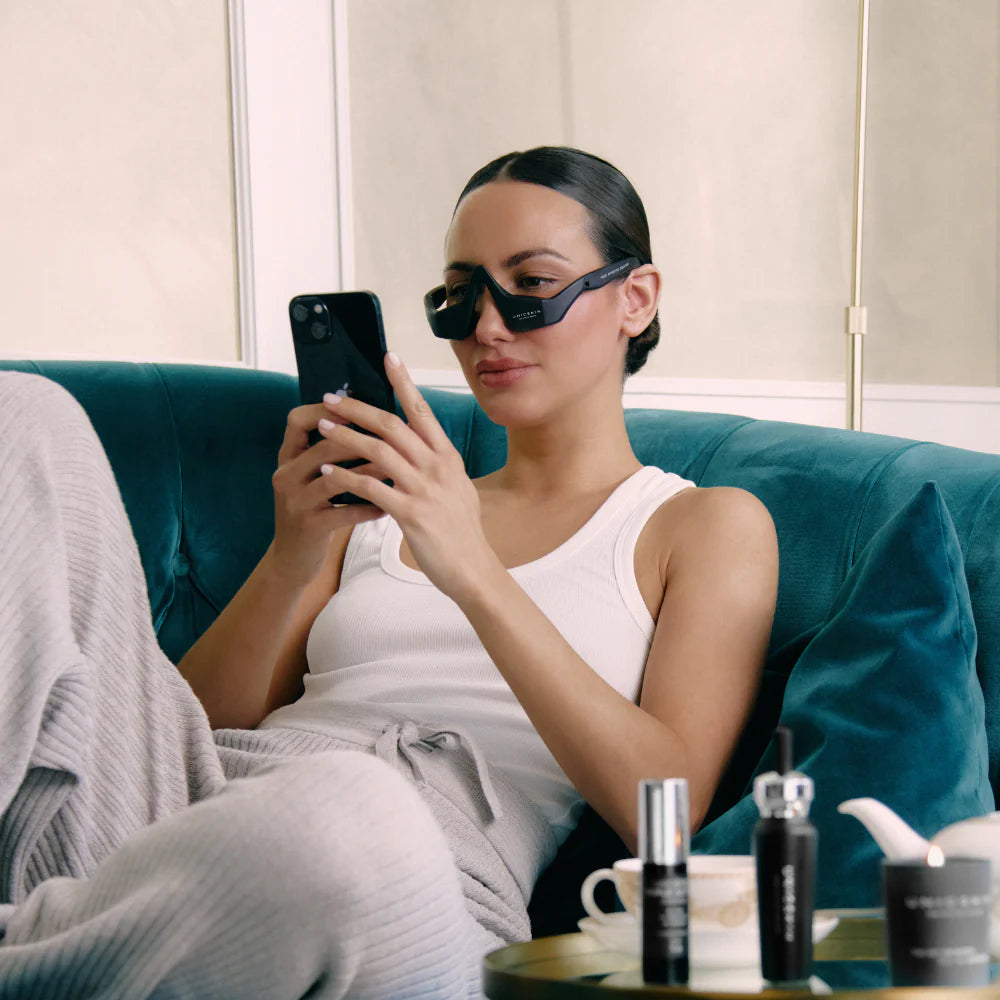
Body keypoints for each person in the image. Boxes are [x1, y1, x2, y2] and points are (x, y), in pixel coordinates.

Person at [0, 146, 778, 998]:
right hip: (195, 813)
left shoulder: (701, 525)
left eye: (532, 285)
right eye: (461, 295)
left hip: (420, 881)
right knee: (26, 419)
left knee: (354, 809)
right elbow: (194, 723)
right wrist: (294, 555)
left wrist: (472, 569)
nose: (487, 327)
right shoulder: (383, 498)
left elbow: (659, 804)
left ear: (636, 297)